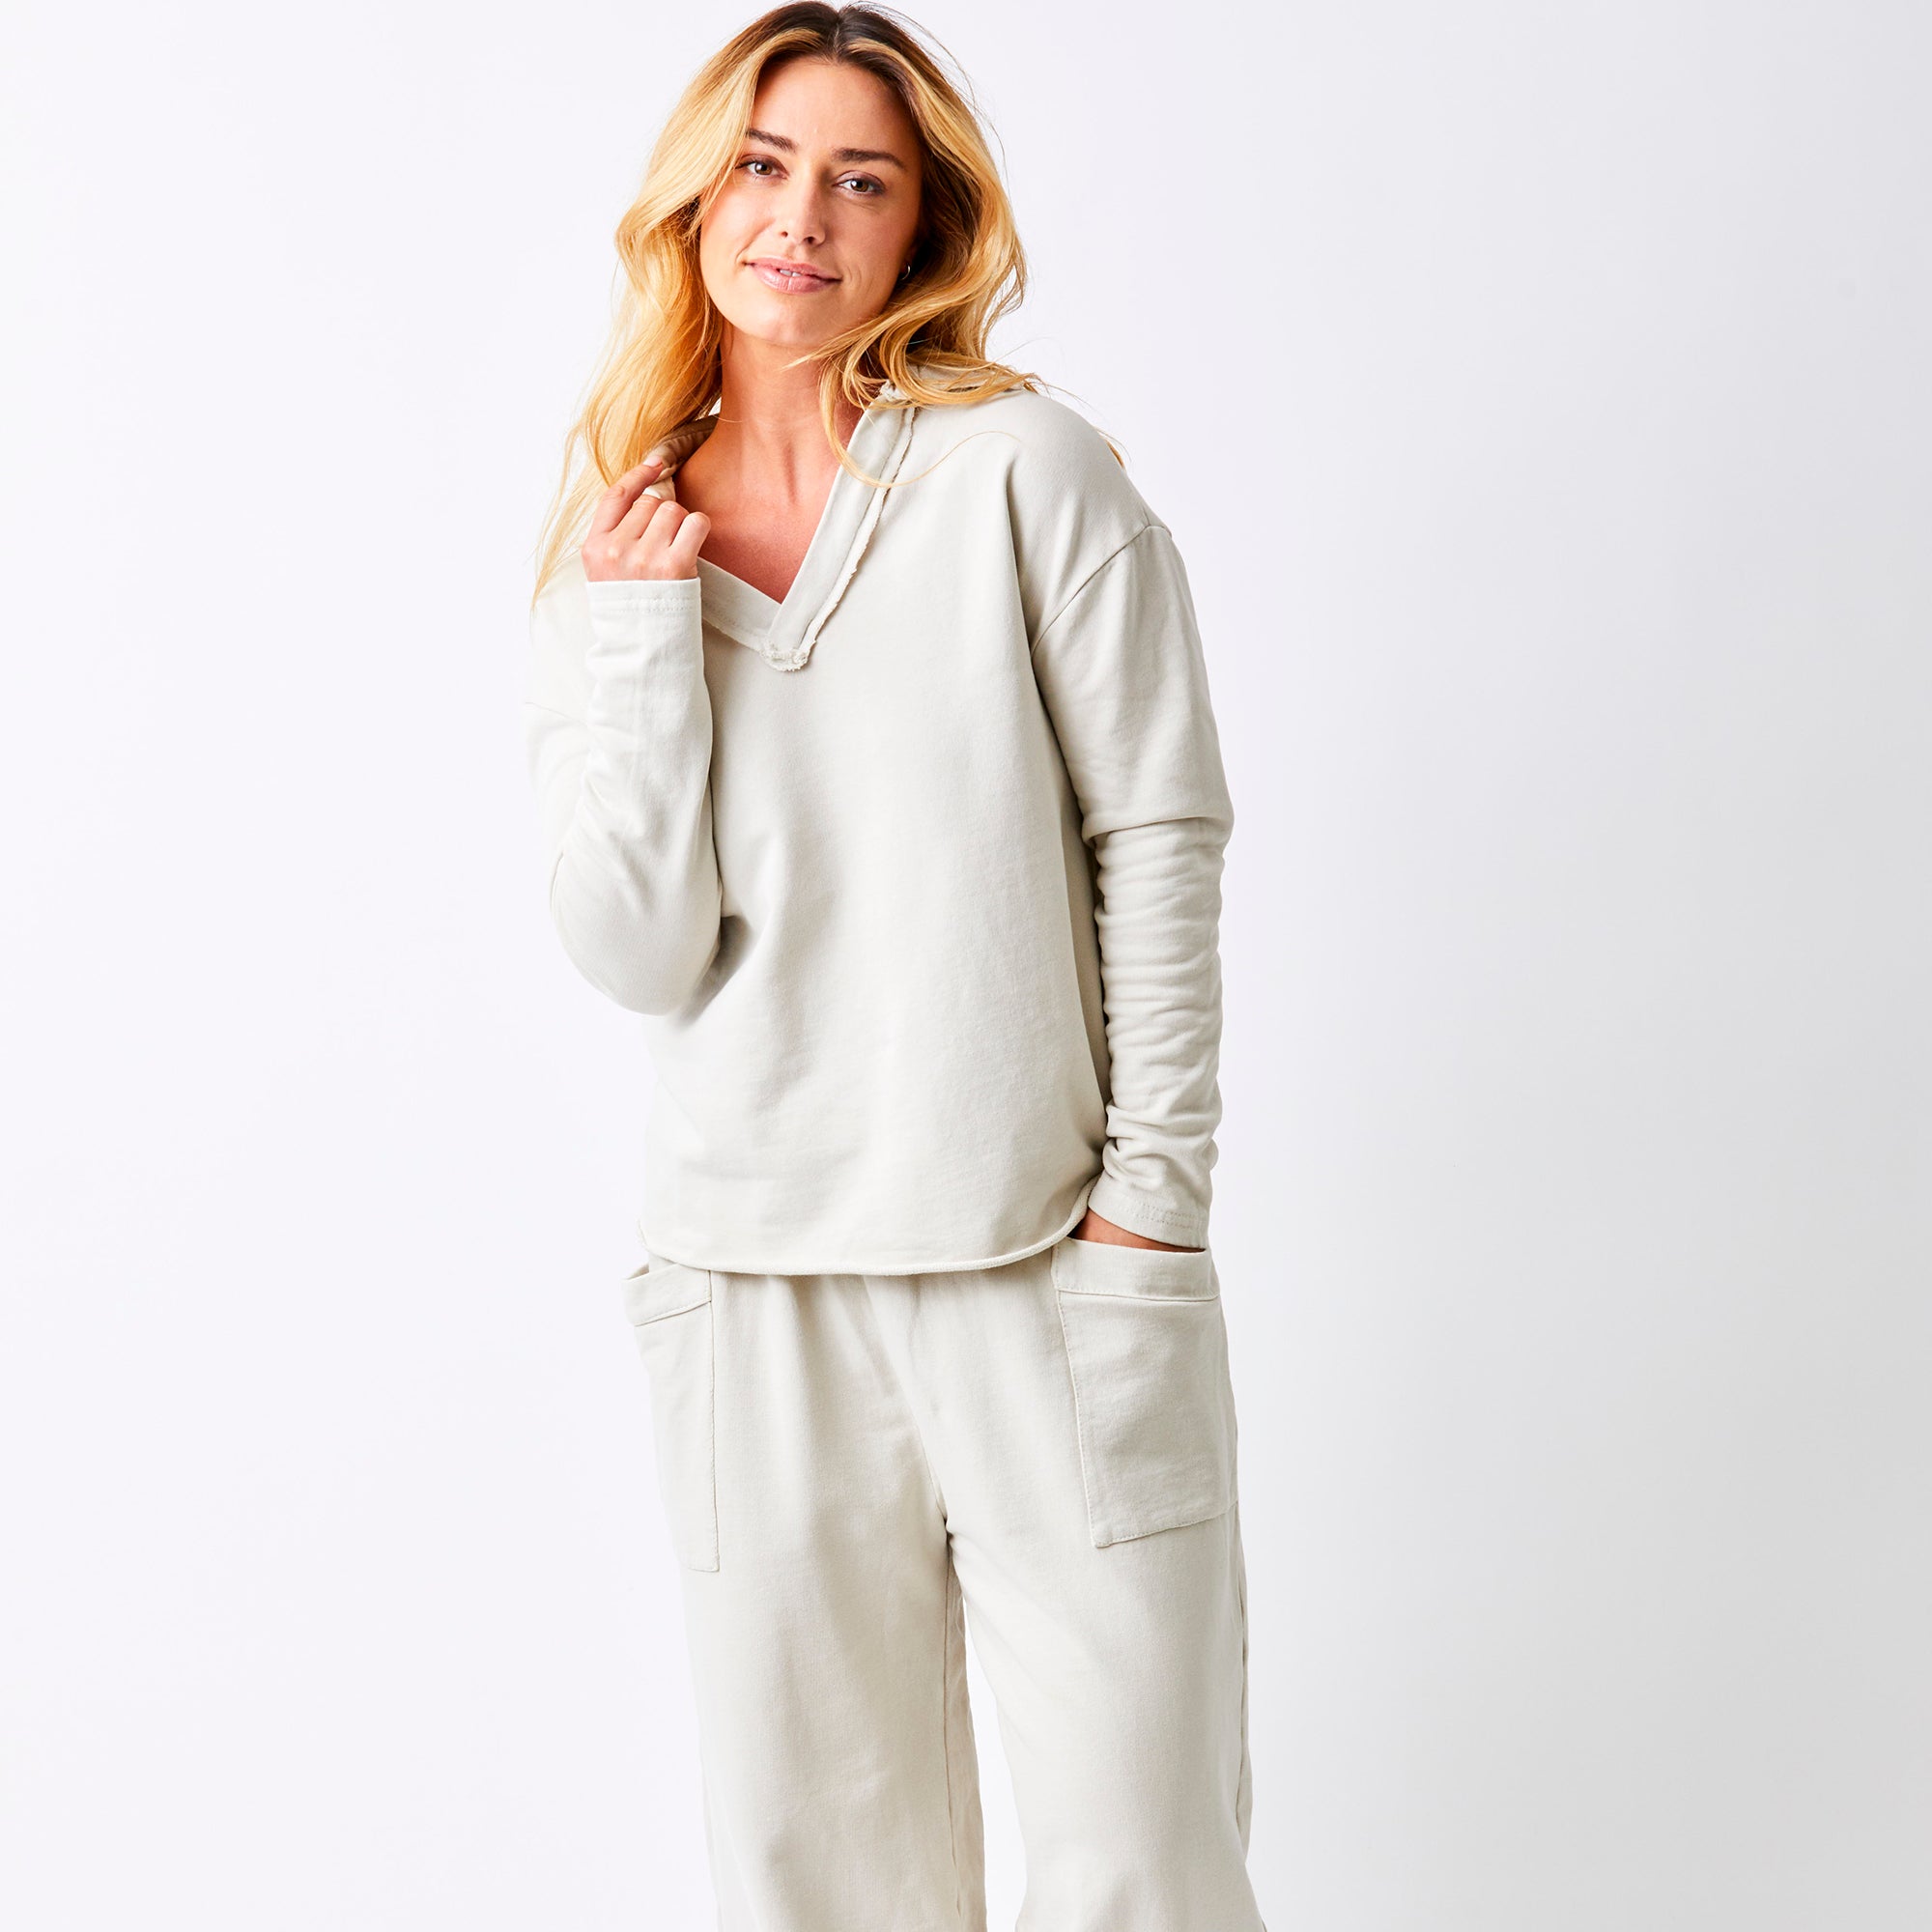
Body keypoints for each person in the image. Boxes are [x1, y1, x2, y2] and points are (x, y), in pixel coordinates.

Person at [521, 6, 1265, 1926]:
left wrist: (1152, 1209)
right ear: (694, 203)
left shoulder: (1026, 472)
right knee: (821, 1886)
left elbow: (1159, 833)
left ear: (922, 224)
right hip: (750, 1284)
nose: (802, 217)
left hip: (1048, 1266)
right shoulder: (620, 538)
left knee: (1144, 1859)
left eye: (861, 179)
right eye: (763, 166)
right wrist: (639, 638)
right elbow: (637, 948)